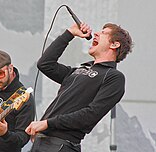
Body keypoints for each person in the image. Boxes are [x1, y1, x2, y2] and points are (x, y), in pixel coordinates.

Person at [25, 22, 133, 152]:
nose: (97, 33)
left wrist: (47, 123)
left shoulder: (113, 77)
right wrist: (69, 33)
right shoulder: (78, 70)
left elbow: (90, 115)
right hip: (42, 141)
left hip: (62, 145)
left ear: (115, 44)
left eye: (103, 33)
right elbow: (45, 64)